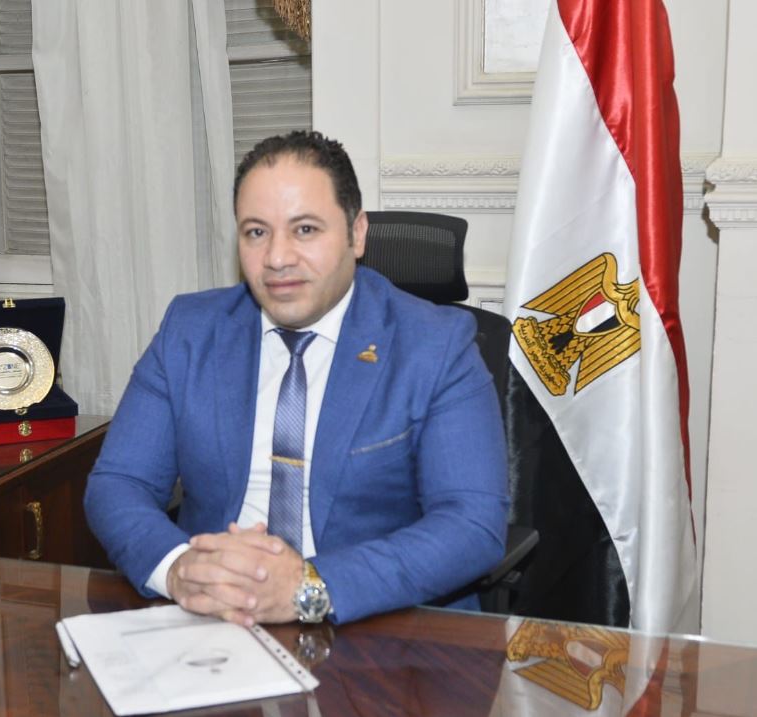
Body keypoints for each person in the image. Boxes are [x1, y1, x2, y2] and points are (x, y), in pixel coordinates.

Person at [85, 131, 508, 625]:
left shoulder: (435, 345)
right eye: (256, 232)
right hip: (213, 620)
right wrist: (180, 570)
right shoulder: (191, 331)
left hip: (376, 625)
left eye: (305, 229)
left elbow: (472, 524)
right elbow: (119, 483)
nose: (277, 258)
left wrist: (309, 587)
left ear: (357, 233)